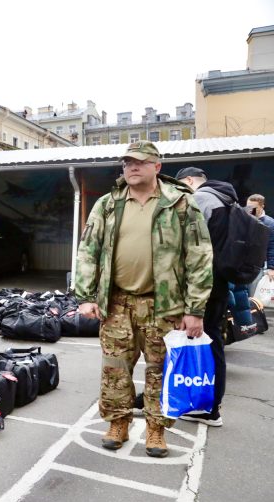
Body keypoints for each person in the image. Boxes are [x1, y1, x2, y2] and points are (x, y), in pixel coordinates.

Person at [75, 141, 213, 458]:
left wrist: (195, 309)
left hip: (164, 306)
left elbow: (200, 258)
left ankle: (155, 429)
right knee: (115, 369)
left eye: (139, 161)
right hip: (117, 304)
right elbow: (88, 251)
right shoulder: (108, 205)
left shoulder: (180, 205)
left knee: (160, 371)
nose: (132, 167)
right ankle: (118, 423)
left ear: (157, 166)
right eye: (126, 162)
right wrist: (85, 295)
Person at [173, 167, 239, 426]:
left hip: (204, 284)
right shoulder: (227, 198)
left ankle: (206, 407)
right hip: (221, 283)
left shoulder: (201, 199)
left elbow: (190, 247)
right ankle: (211, 405)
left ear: (189, 181)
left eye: (181, 186)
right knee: (213, 343)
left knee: (203, 341)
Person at [245, 194, 274, 292]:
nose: (250, 210)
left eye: (254, 208)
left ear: (262, 206)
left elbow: (272, 246)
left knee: (253, 295)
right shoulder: (243, 219)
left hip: (258, 266)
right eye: (248, 207)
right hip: (241, 265)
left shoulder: (270, 224)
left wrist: (271, 268)